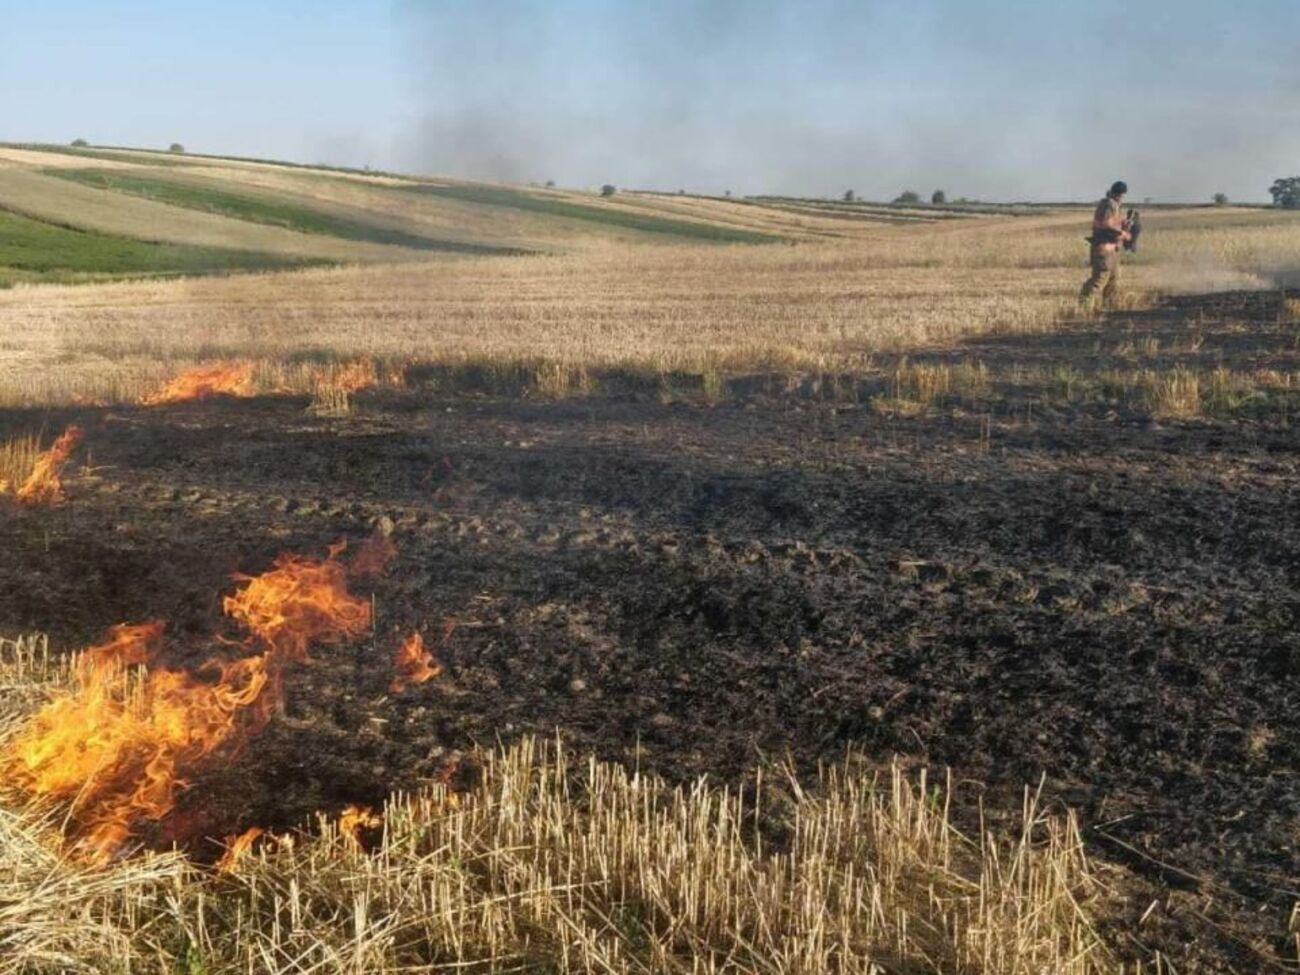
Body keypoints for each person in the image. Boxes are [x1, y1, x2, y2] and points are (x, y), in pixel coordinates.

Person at [1079, 181, 1132, 309]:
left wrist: (1124, 223)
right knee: (1100, 280)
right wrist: (1123, 233)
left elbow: (1112, 222)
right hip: (1104, 248)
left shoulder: (1113, 204)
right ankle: (1084, 306)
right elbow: (1106, 224)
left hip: (1112, 249)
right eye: (1121, 194)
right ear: (1118, 194)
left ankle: (1109, 309)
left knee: (1112, 282)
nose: (1121, 197)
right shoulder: (1109, 204)